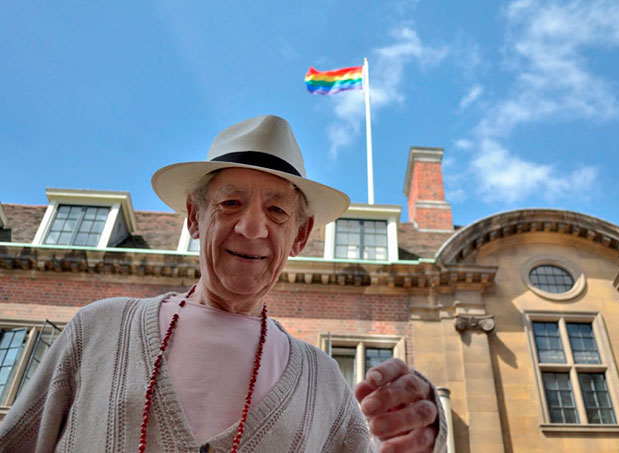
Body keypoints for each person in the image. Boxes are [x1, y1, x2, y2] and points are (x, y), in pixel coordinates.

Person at [0, 115, 447, 452]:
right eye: (231, 203)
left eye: (276, 211)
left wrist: (422, 430)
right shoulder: (98, 331)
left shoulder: (324, 380)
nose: (252, 228)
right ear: (195, 217)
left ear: (301, 235)